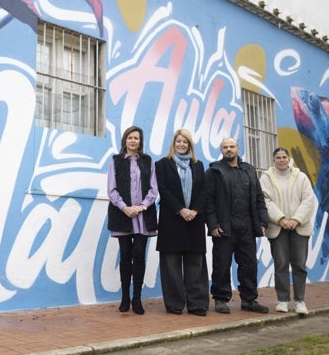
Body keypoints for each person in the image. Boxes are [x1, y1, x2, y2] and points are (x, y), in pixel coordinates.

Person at [204, 137, 269, 314]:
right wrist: (213, 225)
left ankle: (249, 300)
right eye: (225, 147)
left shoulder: (249, 170)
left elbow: (259, 197)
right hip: (224, 228)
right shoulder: (214, 171)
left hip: (247, 227)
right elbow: (208, 201)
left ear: (238, 148)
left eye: (232, 146)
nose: (229, 150)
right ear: (221, 150)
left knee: (249, 266)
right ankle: (220, 299)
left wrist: (263, 221)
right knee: (222, 265)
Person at [155, 129, 209, 316]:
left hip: (194, 219)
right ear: (173, 143)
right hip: (172, 219)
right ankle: (175, 304)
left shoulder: (198, 165)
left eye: (185, 142)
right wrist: (181, 209)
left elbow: (204, 190)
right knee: (171, 265)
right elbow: (163, 189)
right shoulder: (162, 164)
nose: (181, 144)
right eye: (178, 141)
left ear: (190, 145)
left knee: (196, 264)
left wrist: (194, 210)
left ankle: (197, 304)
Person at [107, 125, 159, 315]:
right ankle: (125, 298)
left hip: (143, 216)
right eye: (130, 137)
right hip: (123, 215)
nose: (133, 141)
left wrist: (142, 206)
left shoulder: (148, 161)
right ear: (125, 140)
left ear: (140, 142)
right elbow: (111, 190)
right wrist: (125, 208)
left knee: (139, 255)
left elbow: (154, 189)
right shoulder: (115, 161)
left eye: (136, 138)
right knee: (125, 256)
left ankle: (137, 298)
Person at [260, 147, 317, 315]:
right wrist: (281, 219)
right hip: (278, 228)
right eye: (278, 157)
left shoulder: (301, 177)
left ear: (289, 158)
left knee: (299, 265)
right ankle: (283, 300)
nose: (281, 160)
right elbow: (265, 200)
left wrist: (295, 219)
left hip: (299, 227)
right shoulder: (266, 178)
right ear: (273, 160)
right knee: (281, 265)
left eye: (284, 157)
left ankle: (300, 301)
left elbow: (308, 200)